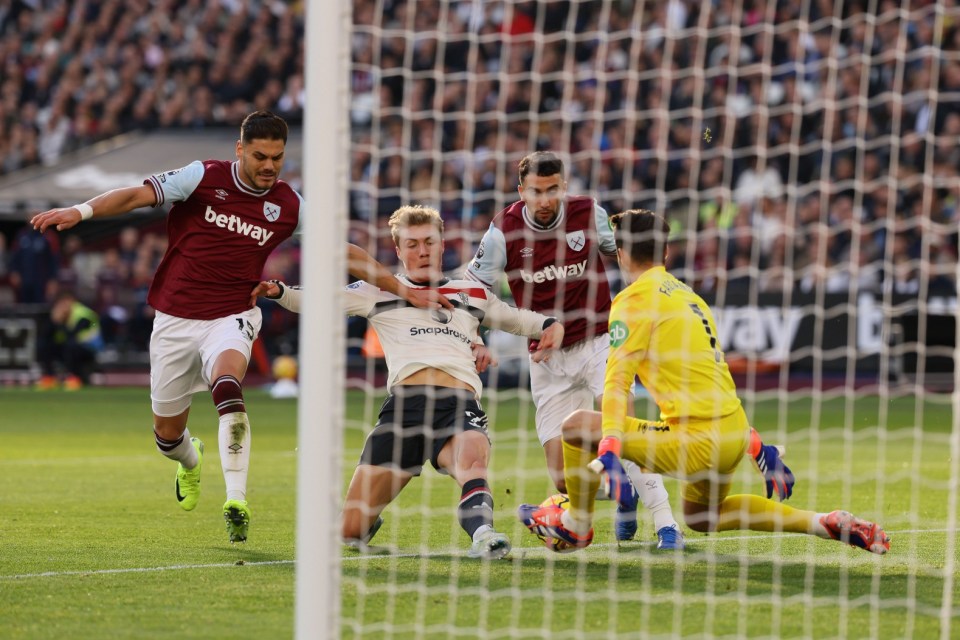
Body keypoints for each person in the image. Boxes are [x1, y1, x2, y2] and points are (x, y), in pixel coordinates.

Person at [518, 209, 890, 555]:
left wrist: (611, 445)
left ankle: (576, 525)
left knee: (576, 426)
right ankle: (823, 522)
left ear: (620, 253)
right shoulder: (689, 297)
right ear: (665, 251)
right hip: (732, 434)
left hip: (697, 442)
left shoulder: (633, 301)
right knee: (701, 516)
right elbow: (712, 378)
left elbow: (616, 383)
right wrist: (756, 444)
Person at [31, 110, 304, 544]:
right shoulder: (202, 177)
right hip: (175, 319)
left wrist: (383, 278)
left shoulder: (289, 204)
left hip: (232, 313)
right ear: (240, 150)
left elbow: (333, 243)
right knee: (167, 435)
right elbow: (136, 196)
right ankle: (190, 461)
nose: (269, 165)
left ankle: (237, 499)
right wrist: (81, 211)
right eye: (260, 156)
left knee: (228, 384)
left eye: (277, 157)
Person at [255, 204, 565, 559]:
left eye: (429, 242)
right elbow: (317, 299)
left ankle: (484, 534)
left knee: (472, 462)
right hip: (404, 409)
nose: (422, 251)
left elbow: (519, 319)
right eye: (412, 244)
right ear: (399, 251)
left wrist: (550, 325)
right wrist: (278, 292)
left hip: (457, 402)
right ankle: (367, 521)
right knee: (348, 532)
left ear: (442, 244)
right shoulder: (378, 290)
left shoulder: (473, 293)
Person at [463, 150, 683, 548]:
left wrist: (646, 301)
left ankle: (667, 525)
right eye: (536, 191)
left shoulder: (589, 214)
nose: (545, 200)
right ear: (521, 191)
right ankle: (622, 493)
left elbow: (629, 258)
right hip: (546, 360)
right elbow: (473, 291)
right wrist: (475, 338)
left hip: (601, 342)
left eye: (552, 190)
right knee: (564, 477)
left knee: (625, 432)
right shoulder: (502, 232)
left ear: (564, 187)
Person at [35, 290, 104, 391]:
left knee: (71, 345)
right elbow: (46, 335)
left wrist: (60, 322)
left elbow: (72, 335)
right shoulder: (58, 314)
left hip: (89, 348)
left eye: (65, 303)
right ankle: (49, 377)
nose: (63, 307)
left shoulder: (83, 315)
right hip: (69, 346)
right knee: (43, 345)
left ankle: (74, 377)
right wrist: (53, 321)